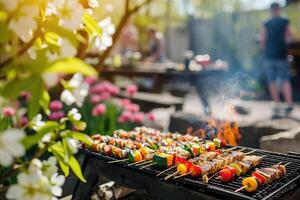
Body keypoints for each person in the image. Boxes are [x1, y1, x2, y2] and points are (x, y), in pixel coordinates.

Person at [260, 2, 293, 115]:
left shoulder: (266, 23)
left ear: (271, 10)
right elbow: (289, 36)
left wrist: (265, 51)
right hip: (282, 55)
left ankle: (277, 103)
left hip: (269, 56)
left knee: (272, 80)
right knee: (285, 79)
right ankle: (289, 104)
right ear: (279, 10)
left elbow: (262, 39)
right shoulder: (284, 22)